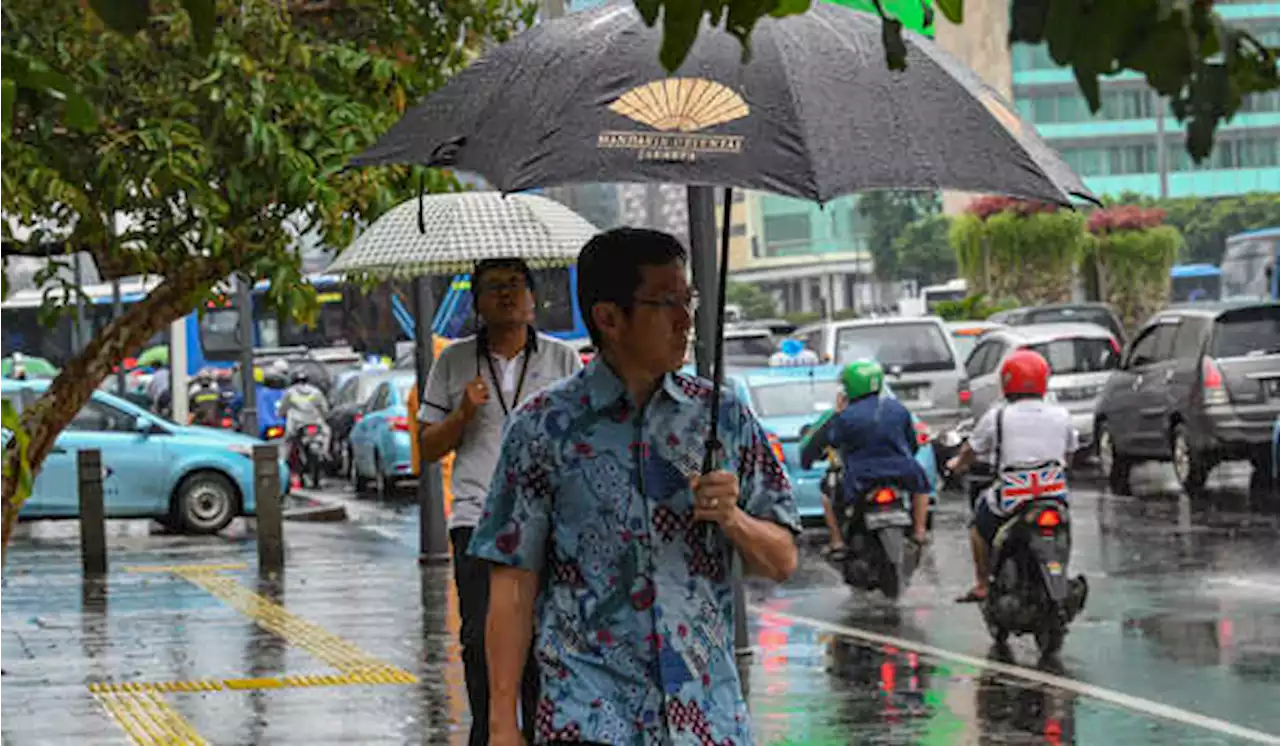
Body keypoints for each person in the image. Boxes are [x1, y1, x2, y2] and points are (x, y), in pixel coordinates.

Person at [470, 228, 800, 746]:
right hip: (590, 715)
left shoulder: (722, 417)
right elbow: (513, 583)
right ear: (609, 318)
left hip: (705, 717)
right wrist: (501, 724)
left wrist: (732, 518)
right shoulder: (543, 429)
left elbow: (781, 562)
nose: (685, 320)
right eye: (666, 302)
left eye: (687, 300)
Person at [416, 257, 582, 746]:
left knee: (544, 639)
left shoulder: (562, 359)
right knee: (479, 640)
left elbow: (582, 439)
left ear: (533, 298)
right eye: (493, 287)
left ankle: (539, 731)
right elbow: (426, 448)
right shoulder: (453, 362)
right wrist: (463, 412)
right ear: (478, 304)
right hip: (478, 518)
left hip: (549, 521)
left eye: (515, 285)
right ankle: (489, 732)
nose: (506, 294)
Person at [946, 349, 1078, 603]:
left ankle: (983, 584)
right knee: (1064, 528)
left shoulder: (998, 416)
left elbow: (971, 450)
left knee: (978, 527)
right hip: (1055, 494)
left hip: (1012, 496)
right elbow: (1070, 455)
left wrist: (957, 465)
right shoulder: (1061, 415)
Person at [810, 360, 931, 559]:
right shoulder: (897, 408)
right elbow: (912, 443)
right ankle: (919, 531)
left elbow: (833, 441)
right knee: (922, 487)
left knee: (827, 494)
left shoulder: (846, 416)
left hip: (860, 476)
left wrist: (838, 413)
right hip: (903, 470)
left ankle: (837, 541)